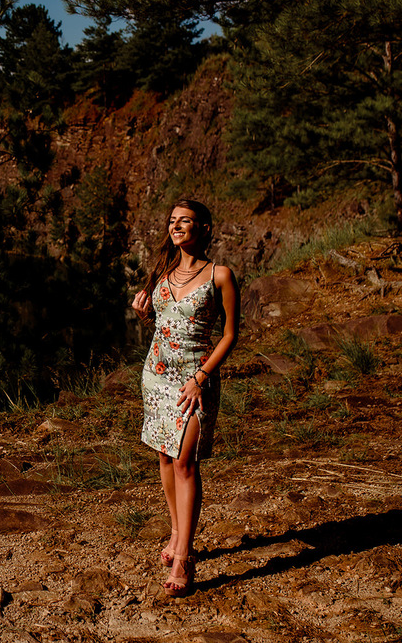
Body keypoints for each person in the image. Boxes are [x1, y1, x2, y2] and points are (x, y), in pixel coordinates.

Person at [130, 199, 239, 596]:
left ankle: (185, 557)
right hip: (155, 375)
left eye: (185, 221)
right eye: (172, 221)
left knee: (185, 463)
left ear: (204, 228)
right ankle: (177, 531)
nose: (177, 227)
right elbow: (164, 323)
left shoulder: (220, 275)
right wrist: (145, 315)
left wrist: (201, 377)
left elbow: (230, 335)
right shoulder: (162, 272)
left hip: (195, 378)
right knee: (163, 455)